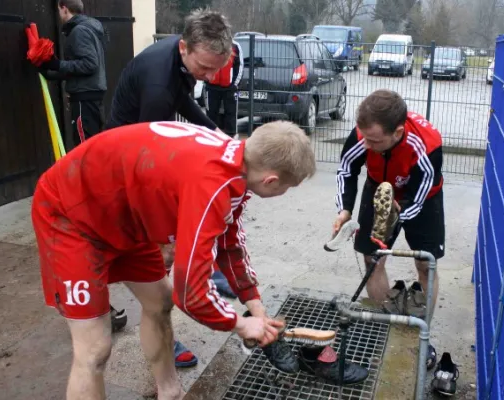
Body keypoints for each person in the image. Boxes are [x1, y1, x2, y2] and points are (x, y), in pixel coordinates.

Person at [31, 119, 316, 400]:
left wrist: (254, 303)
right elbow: (191, 293)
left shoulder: (239, 165)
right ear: (271, 180)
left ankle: (171, 393)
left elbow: (230, 241)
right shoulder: (212, 184)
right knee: (94, 348)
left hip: (125, 217)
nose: (284, 193)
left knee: (160, 302)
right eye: (287, 187)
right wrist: (240, 325)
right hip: (71, 214)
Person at [104, 9, 239, 361]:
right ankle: (165, 331)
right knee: (159, 249)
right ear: (183, 47)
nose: (209, 77)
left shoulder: (179, 60)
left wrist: (213, 130)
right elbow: (155, 155)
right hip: (126, 163)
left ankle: (200, 273)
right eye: (204, 68)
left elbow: (184, 102)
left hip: (145, 147)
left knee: (175, 235)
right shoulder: (157, 85)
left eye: (215, 69)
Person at [332, 89, 444, 369]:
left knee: (425, 263)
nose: (367, 145)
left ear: (397, 132)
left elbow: (419, 197)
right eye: (364, 137)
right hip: (377, 187)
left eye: (375, 141)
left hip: (422, 197)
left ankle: (421, 335)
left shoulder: (427, 145)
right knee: (373, 259)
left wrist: (396, 216)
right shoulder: (363, 136)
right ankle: (382, 329)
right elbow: (346, 169)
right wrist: (344, 208)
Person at [39, 0, 107, 150]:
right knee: (92, 147)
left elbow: (89, 64)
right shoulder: (89, 28)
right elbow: (80, 69)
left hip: (84, 101)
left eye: (58, 10)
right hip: (91, 98)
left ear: (64, 9)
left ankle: (89, 174)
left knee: (84, 149)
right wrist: (52, 73)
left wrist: (57, 65)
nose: (59, 14)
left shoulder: (79, 31)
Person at [205, 40, 243, 137]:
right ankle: (210, 135)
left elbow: (239, 65)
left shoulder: (235, 45)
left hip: (229, 87)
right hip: (212, 86)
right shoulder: (210, 43)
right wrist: (206, 80)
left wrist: (235, 84)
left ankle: (232, 135)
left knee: (231, 112)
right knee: (211, 113)